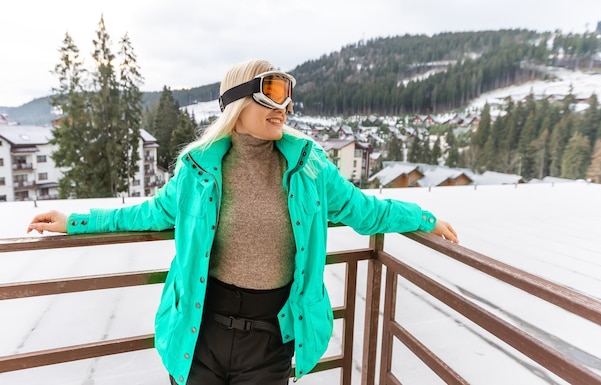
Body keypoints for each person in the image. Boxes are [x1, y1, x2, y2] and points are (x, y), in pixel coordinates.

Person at [28, 59, 459, 385]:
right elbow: (147, 213)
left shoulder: (311, 170)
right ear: (237, 103)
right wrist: (74, 221)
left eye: (288, 98)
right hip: (201, 331)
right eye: (271, 95)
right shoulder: (197, 171)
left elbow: (367, 213)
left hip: (271, 337)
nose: (285, 108)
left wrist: (423, 217)